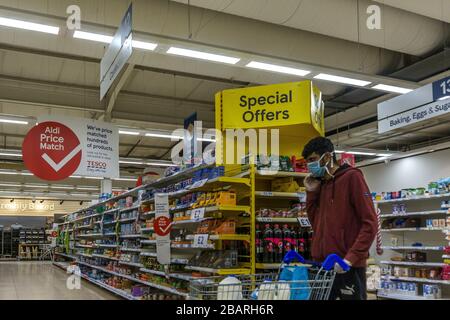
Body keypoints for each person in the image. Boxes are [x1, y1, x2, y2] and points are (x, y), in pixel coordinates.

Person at [302, 137, 378, 300]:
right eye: (307, 162)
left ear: (328, 157)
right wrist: (311, 193)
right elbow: (316, 223)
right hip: (323, 266)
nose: (310, 166)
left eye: (313, 160)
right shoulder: (322, 184)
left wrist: (350, 259)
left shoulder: (352, 177)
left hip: (347, 266)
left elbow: (370, 223)